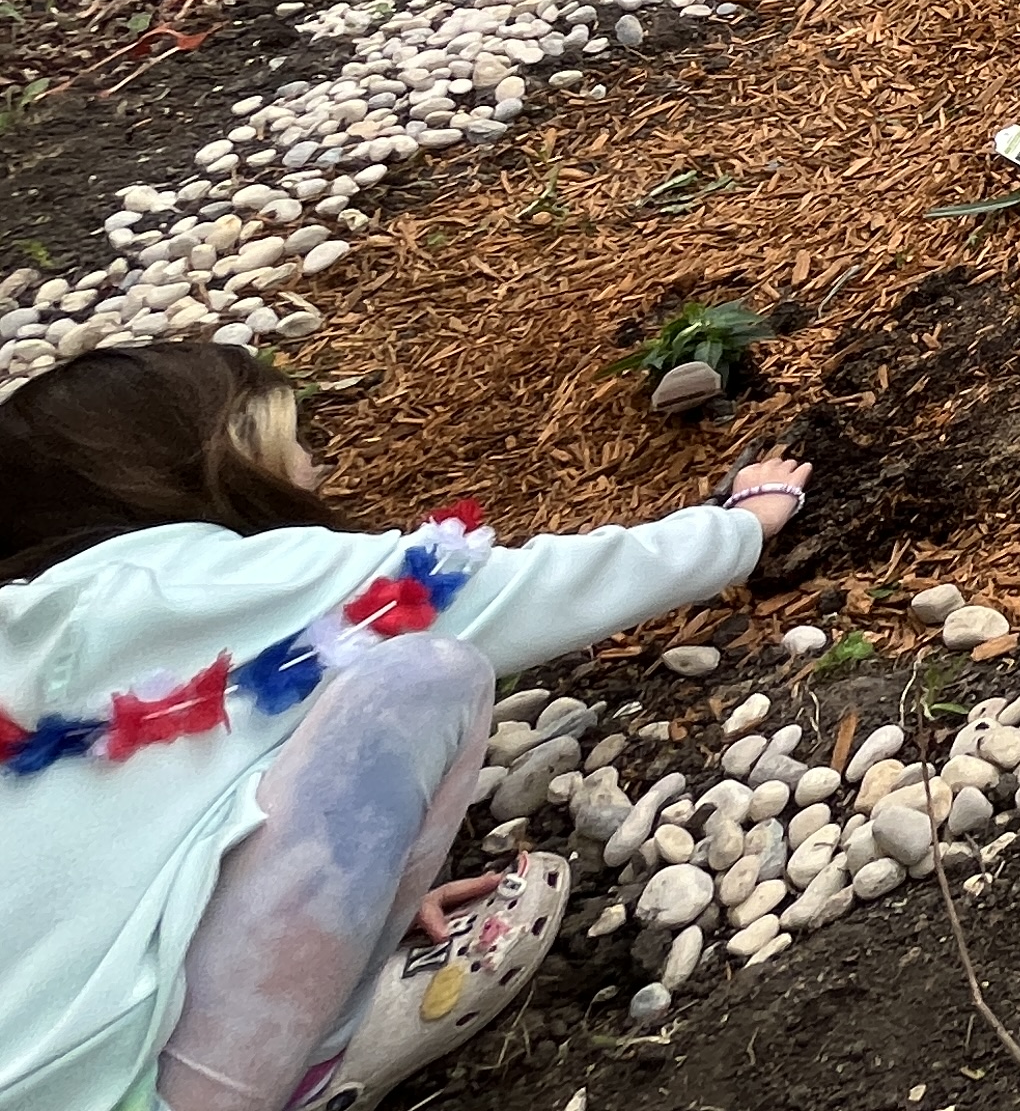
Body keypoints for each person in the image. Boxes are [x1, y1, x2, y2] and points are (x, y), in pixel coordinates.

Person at [0, 343, 810, 1111]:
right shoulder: (236, 575)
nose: (315, 464)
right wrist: (741, 524)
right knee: (423, 678)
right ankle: (306, 1073)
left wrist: (369, 892)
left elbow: (173, 797)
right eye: (293, 439)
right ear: (219, 462)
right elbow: (547, 586)